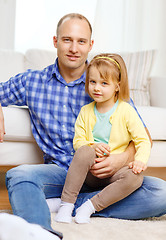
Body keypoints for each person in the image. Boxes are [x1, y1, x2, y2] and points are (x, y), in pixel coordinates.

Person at [0, 13, 165, 231]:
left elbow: (144, 136)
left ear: (90, 45)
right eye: (67, 40)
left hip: (105, 174)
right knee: (19, 176)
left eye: (81, 41)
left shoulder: (104, 80)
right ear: (55, 41)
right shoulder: (32, 81)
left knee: (161, 193)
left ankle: (72, 204)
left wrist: (120, 159)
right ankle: (40, 233)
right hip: (60, 172)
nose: (74, 48)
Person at [55, 53, 151, 224]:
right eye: (93, 82)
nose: (97, 88)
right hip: (91, 172)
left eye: (104, 83)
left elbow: (142, 140)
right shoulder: (86, 111)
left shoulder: (126, 111)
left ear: (117, 86)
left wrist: (140, 160)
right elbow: (78, 141)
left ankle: (90, 206)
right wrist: (92, 146)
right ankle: (66, 205)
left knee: (136, 177)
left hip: (115, 172)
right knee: (84, 151)